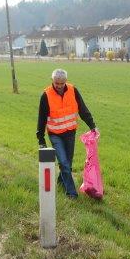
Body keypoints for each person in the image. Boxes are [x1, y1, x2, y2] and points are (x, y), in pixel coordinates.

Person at [36, 69, 97, 199]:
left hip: (70, 133)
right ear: (52, 81)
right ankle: (71, 193)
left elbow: (83, 109)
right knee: (63, 162)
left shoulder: (73, 90)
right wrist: (41, 139)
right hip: (55, 134)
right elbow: (41, 119)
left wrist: (92, 126)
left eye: (62, 83)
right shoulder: (46, 95)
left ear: (66, 81)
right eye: (56, 83)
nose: (59, 86)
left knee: (67, 163)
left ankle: (60, 181)